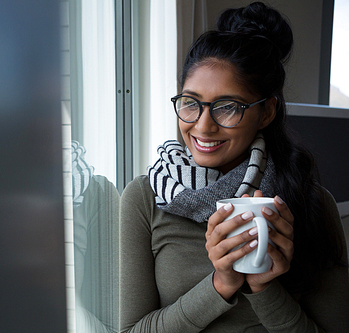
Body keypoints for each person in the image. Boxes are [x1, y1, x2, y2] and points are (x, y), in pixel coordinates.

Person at [119, 2, 349, 332]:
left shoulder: (311, 202)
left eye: (228, 107)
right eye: (190, 102)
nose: (203, 126)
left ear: (266, 112)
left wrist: (264, 287)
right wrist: (220, 285)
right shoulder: (145, 197)